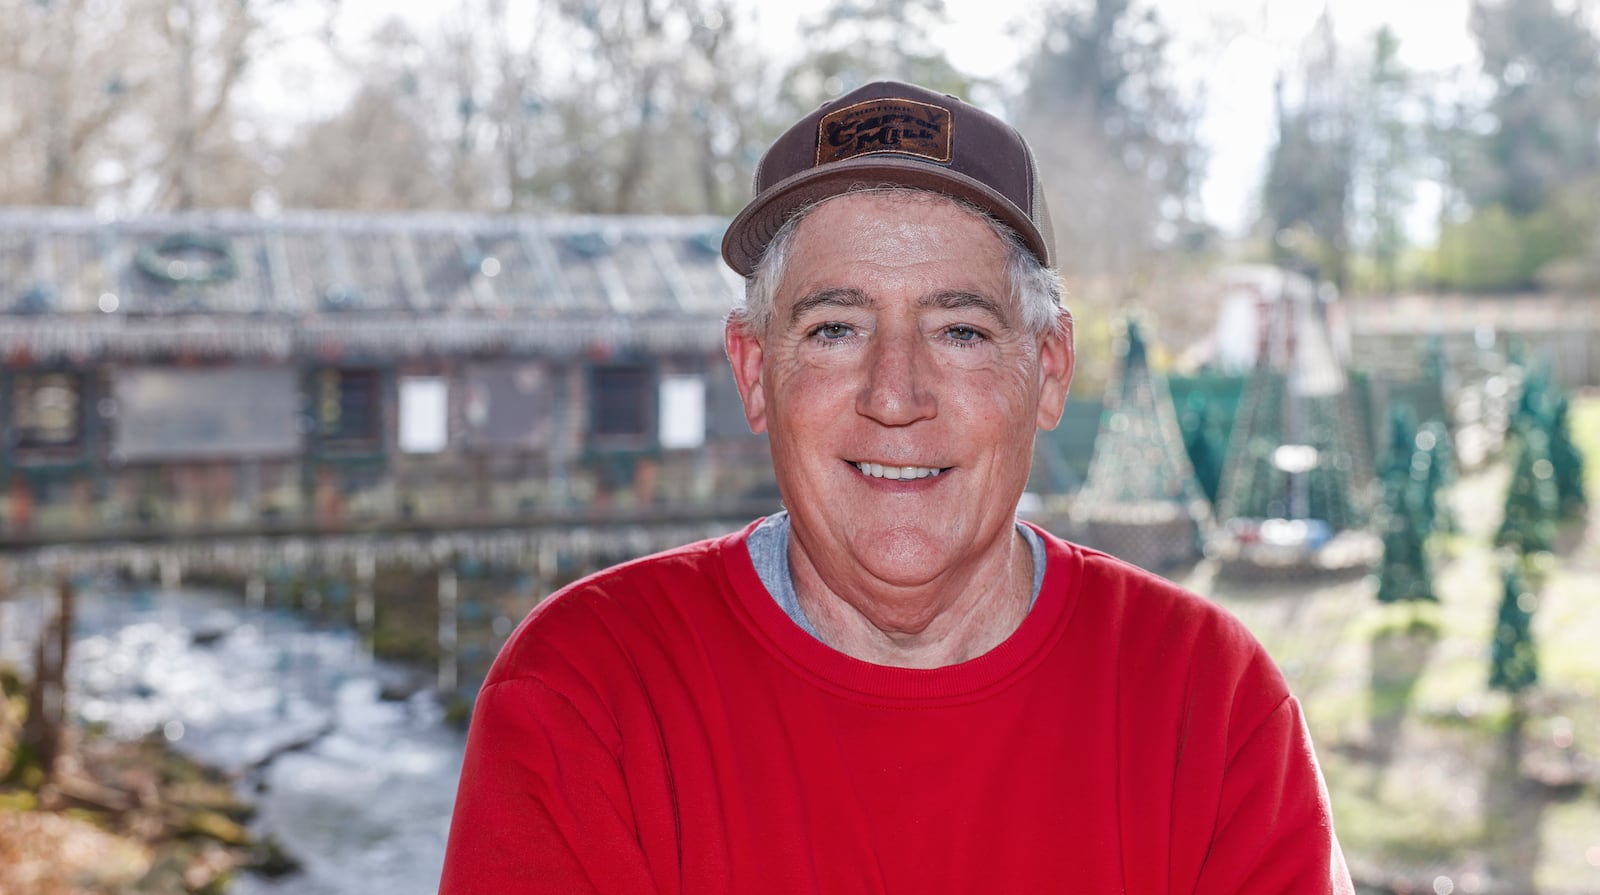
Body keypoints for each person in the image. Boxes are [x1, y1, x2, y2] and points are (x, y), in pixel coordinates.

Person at [440, 80, 1354, 894]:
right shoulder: (586, 691)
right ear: (755, 371)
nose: (895, 396)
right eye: (836, 327)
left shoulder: (1209, 702)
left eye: (960, 330)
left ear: (1049, 367)